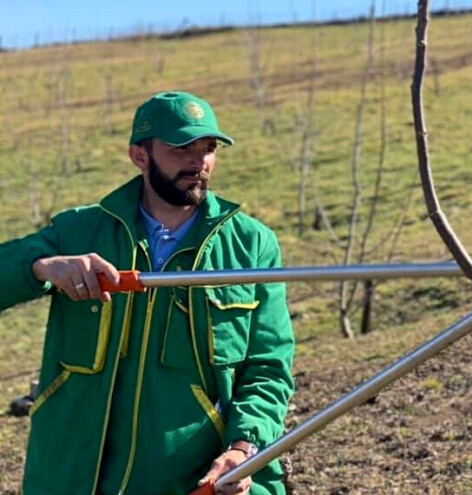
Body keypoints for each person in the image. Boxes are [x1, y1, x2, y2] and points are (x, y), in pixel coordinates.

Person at [0, 91, 295, 495]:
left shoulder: (252, 244)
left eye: (208, 149)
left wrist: (244, 448)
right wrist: (41, 267)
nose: (199, 162)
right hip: (74, 476)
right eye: (181, 148)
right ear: (140, 155)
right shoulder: (80, 231)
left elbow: (269, 367)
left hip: (197, 481)